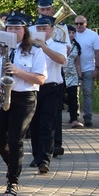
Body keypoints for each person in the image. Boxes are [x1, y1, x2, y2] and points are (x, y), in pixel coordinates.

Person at [0, 11, 46, 196]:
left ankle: (12, 181)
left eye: (17, 28)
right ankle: (14, 166)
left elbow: (40, 79)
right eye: (10, 28)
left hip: (24, 97)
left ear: (25, 31)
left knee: (15, 139)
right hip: (0, 95)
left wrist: (17, 71)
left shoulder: (35, 51)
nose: (13, 31)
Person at [28, 16, 67, 174]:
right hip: (33, 87)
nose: (42, 31)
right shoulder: (29, 46)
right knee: (34, 124)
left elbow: (62, 60)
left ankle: (45, 159)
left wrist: (44, 47)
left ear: (52, 30)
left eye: (45, 28)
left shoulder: (58, 45)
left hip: (51, 87)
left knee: (47, 124)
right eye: (39, 28)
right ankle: (37, 155)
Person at [73, 15, 99, 127]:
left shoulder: (93, 35)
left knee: (87, 93)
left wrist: (97, 67)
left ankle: (88, 117)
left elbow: (98, 51)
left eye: (81, 23)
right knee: (74, 94)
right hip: (74, 69)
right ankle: (75, 116)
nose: (78, 26)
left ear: (86, 23)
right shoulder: (72, 34)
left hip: (89, 68)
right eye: (77, 24)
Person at [63, 25, 84, 131]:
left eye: (73, 32)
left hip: (73, 75)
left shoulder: (77, 46)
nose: (71, 34)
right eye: (69, 32)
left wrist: (80, 76)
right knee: (60, 96)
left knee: (73, 97)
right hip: (61, 74)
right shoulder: (60, 44)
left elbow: (78, 63)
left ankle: (74, 119)